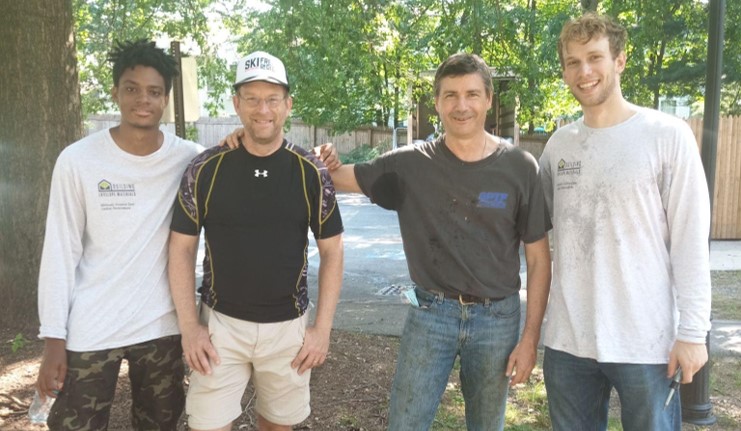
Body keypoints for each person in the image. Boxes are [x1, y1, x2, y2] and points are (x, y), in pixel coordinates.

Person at [329, 53, 552, 430]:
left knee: (486, 424)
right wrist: (312, 156)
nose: (461, 105)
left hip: (498, 318)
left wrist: (530, 338)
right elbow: (337, 178)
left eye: (471, 94)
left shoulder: (519, 167)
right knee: (405, 423)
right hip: (431, 313)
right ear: (436, 103)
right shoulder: (409, 165)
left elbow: (539, 260)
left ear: (488, 99)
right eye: (450, 95)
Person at [539, 13, 712, 430]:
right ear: (563, 71)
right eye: (573, 62)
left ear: (619, 60)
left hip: (645, 342)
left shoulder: (666, 135)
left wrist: (693, 332)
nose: (584, 71)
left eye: (595, 57)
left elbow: (690, 240)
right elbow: (528, 225)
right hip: (568, 341)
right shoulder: (560, 145)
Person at [35, 39, 210, 430]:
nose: (142, 100)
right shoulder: (78, 161)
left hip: (162, 327)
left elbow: (235, 172)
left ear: (165, 98)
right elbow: (60, 252)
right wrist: (53, 340)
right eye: (131, 89)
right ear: (115, 92)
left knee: (160, 425)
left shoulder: (191, 160)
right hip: (92, 326)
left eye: (153, 92)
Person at [168, 51, 344, 431]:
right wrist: (190, 327)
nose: (262, 109)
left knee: (278, 425)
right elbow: (180, 249)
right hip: (219, 327)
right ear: (236, 103)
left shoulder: (310, 171)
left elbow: (333, 251)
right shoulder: (205, 169)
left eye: (272, 99)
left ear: (288, 104)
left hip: (289, 330)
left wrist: (322, 330)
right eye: (251, 98)